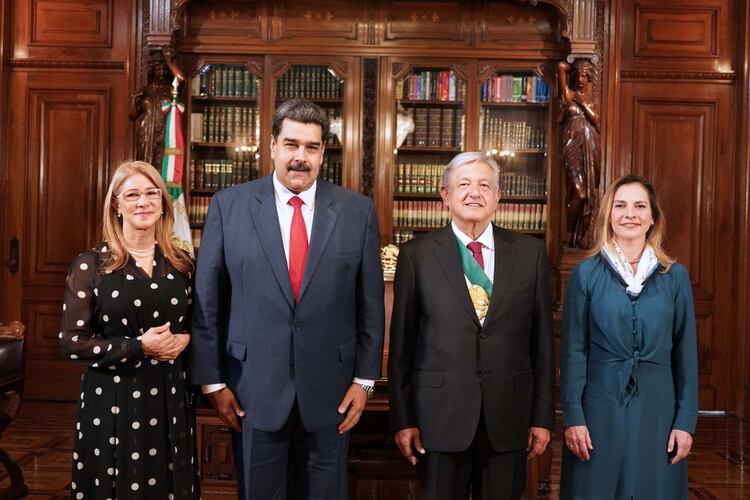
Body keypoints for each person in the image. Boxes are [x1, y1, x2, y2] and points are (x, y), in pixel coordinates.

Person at [190, 98, 384, 499]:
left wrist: (364, 381)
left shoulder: (356, 211)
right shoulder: (229, 207)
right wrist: (212, 381)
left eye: (311, 147)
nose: (301, 157)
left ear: (323, 153)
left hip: (332, 394)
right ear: (273, 146)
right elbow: (209, 302)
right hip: (251, 390)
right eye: (292, 145)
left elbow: (370, 305)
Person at [388, 152, 554, 500]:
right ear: (445, 195)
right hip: (439, 418)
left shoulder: (530, 254)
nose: (474, 193)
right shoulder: (416, 255)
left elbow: (543, 345)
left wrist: (542, 417)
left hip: (508, 417)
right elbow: (402, 348)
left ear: (498, 196)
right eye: (463, 184)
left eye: (484, 185)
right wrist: (403, 419)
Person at [60, 160, 200, 498]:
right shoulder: (91, 264)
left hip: (171, 397)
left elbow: (202, 325)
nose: (143, 202)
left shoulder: (183, 264)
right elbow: (72, 342)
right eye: (133, 194)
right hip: (112, 400)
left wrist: (187, 338)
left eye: (152, 193)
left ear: (163, 203)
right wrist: (139, 346)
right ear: (116, 205)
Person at [560, 174, 698, 499]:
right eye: (620, 206)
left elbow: (685, 354)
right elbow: (573, 352)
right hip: (598, 408)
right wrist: (573, 418)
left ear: (653, 218)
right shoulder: (585, 274)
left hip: (660, 410)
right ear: (609, 215)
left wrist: (686, 421)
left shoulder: (675, 276)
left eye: (639, 206)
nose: (630, 214)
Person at [558, 59, 601, 248]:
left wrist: (583, 103)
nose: (581, 79)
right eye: (577, 75)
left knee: (588, 193)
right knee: (579, 193)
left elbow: (596, 118)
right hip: (571, 147)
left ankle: (581, 236)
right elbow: (561, 67)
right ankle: (568, 234)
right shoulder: (569, 95)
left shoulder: (591, 100)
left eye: (584, 75)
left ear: (590, 77)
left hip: (589, 146)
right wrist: (568, 70)